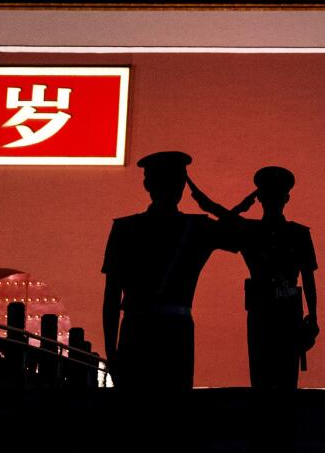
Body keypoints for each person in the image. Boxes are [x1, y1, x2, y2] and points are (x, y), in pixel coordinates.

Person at [101, 151, 241, 391]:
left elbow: (111, 298)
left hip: (136, 331)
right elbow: (243, 237)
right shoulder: (198, 228)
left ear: (147, 184)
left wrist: (112, 354)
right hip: (177, 332)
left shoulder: (125, 229)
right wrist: (211, 206)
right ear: (184, 187)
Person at [191, 166, 318, 391]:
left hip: (267, 310)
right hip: (281, 309)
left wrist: (241, 207)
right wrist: (314, 317)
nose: (273, 200)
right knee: (272, 377)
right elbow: (307, 279)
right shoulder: (296, 234)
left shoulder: (250, 231)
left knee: (269, 377)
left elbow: (216, 211)